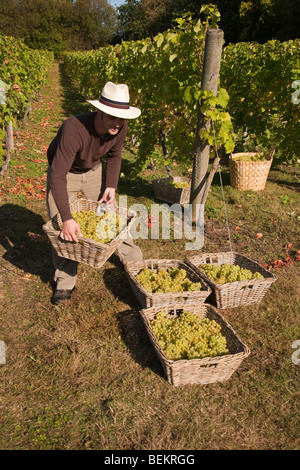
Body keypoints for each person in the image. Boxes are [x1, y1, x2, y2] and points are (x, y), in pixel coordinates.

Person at [46, 81, 143, 305]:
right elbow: (57, 177)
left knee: (112, 217)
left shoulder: (120, 127)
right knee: (61, 226)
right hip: (65, 173)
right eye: (112, 117)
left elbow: (115, 156)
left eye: (122, 118)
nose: (118, 123)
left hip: (93, 171)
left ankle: (134, 261)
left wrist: (110, 186)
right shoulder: (73, 128)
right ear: (99, 111)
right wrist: (68, 218)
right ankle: (65, 281)